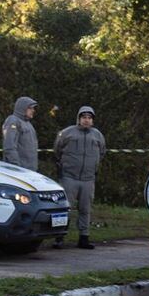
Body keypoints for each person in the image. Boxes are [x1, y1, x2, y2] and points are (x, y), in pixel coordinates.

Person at [53, 106, 106, 250]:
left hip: (88, 179)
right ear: (79, 118)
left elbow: (102, 152)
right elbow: (57, 150)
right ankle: (59, 237)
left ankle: (84, 237)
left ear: (92, 120)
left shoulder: (98, 135)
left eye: (89, 118)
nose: (86, 120)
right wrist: (65, 166)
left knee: (85, 209)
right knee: (64, 208)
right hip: (69, 177)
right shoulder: (67, 133)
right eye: (84, 117)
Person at [2, 96, 39, 170]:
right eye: (30, 108)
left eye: (33, 108)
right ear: (23, 108)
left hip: (30, 170)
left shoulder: (29, 124)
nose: (33, 110)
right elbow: (9, 146)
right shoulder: (13, 121)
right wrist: (16, 166)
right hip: (19, 170)